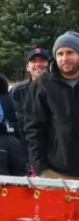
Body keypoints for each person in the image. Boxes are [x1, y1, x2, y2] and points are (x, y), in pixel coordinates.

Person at [23, 31, 79, 180]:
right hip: (56, 172)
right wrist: (41, 168)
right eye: (60, 54)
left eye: (70, 52)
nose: (65, 58)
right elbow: (34, 129)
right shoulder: (42, 86)